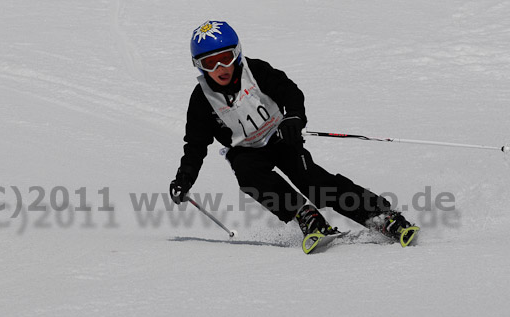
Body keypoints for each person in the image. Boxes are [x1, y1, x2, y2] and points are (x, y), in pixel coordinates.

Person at [170, 20, 417, 250]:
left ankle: (382, 216)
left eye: (225, 58)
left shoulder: (256, 71)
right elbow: (195, 144)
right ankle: (305, 216)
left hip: (281, 137)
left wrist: (294, 117)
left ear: (237, 54)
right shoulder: (202, 99)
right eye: (209, 63)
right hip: (246, 151)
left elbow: (290, 91)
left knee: (316, 184)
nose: (220, 68)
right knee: (247, 175)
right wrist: (185, 178)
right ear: (199, 66)